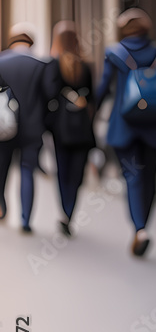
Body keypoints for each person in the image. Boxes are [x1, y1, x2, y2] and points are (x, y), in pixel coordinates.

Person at [94, 9, 156, 256]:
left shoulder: (114, 53)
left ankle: (139, 229)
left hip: (124, 125)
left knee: (133, 178)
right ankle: (144, 226)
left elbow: (103, 88)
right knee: (151, 180)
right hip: (154, 124)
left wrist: (90, 111)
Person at [0, 24, 59, 233]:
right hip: (32, 128)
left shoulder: (1, 61)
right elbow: (51, 96)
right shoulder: (41, 64)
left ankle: (1, 207)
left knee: (2, 169)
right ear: (30, 42)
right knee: (27, 170)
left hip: (4, 128)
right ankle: (25, 220)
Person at [47, 21, 97, 237]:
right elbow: (94, 97)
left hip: (60, 129)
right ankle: (70, 212)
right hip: (82, 129)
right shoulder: (86, 66)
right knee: (77, 173)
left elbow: (48, 95)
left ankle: (65, 212)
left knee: (62, 171)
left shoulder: (53, 65)